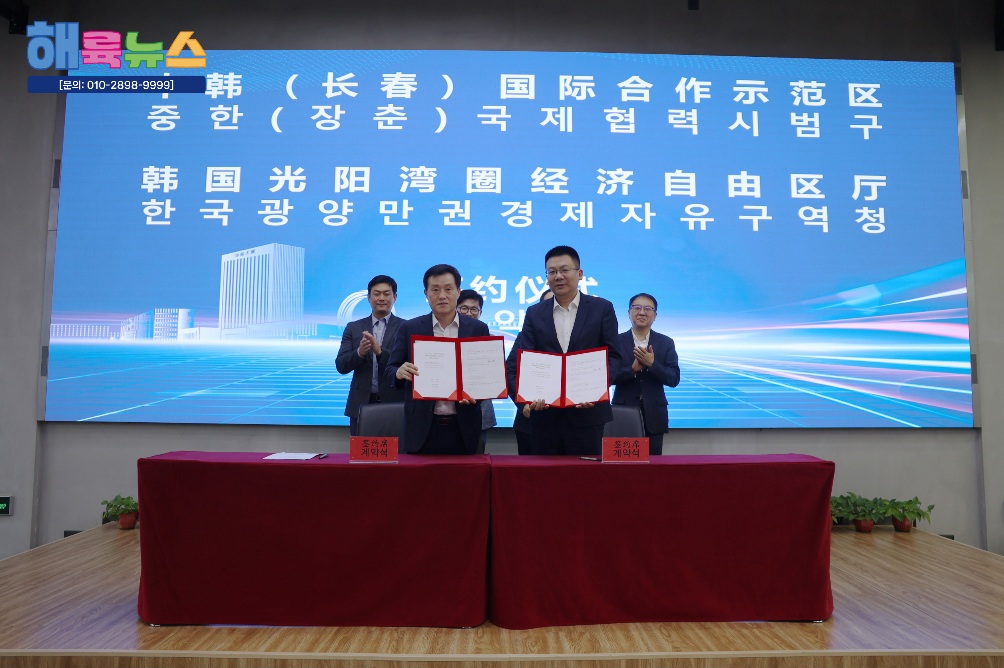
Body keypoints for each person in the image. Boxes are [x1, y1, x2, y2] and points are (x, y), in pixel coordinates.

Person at [512, 246, 621, 456]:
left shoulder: (602, 308)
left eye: (564, 270)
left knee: (584, 474)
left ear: (579, 274)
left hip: (588, 415)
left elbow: (615, 357)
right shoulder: (534, 313)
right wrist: (530, 396)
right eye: (552, 272)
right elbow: (526, 359)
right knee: (545, 474)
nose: (558, 276)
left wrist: (596, 388)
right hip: (545, 416)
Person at [386, 264, 489, 454]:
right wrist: (398, 373)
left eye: (448, 289)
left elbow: (485, 375)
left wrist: (477, 395)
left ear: (458, 292)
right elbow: (390, 369)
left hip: (463, 426)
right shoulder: (410, 328)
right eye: (435, 290)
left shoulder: (477, 329)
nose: (442, 296)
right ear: (426, 293)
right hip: (421, 427)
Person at [335, 275, 407, 435]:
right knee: (363, 450)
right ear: (368, 298)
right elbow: (341, 365)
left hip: (395, 404)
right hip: (361, 404)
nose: (381, 298)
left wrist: (380, 352)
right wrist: (359, 353)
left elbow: (407, 364)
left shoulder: (406, 327)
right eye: (376, 293)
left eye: (386, 294)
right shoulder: (353, 327)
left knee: (396, 450)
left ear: (395, 297)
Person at [611, 293, 681, 455]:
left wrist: (652, 364)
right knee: (622, 464)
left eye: (648, 309)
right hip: (623, 412)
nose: (642, 312)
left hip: (654, 414)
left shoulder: (666, 343)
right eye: (637, 308)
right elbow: (608, 377)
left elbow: (673, 378)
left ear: (655, 315)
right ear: (629, 313)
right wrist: (632, 369)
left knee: (653, 465)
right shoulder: (616, 342)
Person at [507, 289, 552, 455]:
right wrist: (522, 403)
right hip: (530, 419)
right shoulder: (525, 336)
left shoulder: (579, 336)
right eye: (547, 304)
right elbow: (510, 371)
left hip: (572, 422)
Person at [457, 289, 495, 453]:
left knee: (476, 459)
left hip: (479, 409)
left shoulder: (489, 339)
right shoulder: (444, 335)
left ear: (480, 312)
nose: (469, 313)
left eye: (474, 309)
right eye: (464, 308)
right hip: (445, 413)